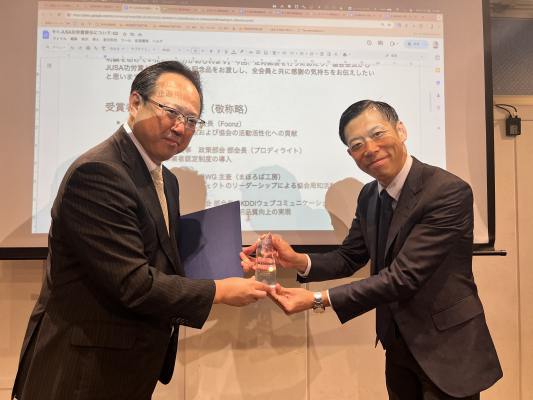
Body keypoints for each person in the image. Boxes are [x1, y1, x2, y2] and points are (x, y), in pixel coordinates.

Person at [13, 61, 270, 400]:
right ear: (136, 104)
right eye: (171, 112)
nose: (180, 127)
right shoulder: (99, 172)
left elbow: (160, 258)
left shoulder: (167, 179)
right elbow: (132, 283)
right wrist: (219, 291)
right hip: (82, 370)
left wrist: (228, 263)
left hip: (126, 366)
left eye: (191, 120)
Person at [241, 100, 502, 399]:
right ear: (350, 154)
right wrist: (297, 260)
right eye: (356, 144)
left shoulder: (446, 191)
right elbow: (349, 257)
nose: (370, 148)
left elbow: (403, 277)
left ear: (401, 130)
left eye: (378, 134)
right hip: (398, 341)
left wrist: (317, 300)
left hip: (448, 345)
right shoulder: (369, 195)